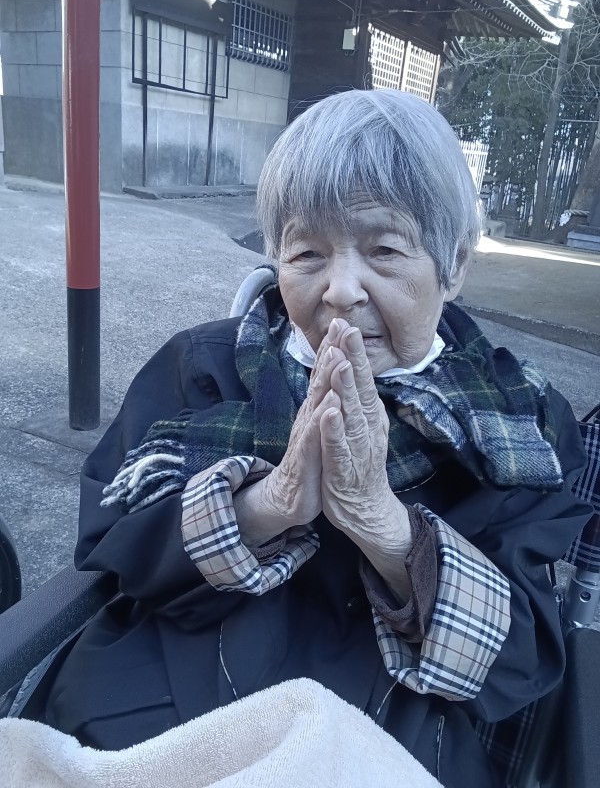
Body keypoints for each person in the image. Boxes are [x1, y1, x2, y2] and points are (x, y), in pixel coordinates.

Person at [45, 89, 591, 787]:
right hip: (160, 708)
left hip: (390, 736)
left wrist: (383, 525)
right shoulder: (202, 367)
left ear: (453, 265)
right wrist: (266, 506)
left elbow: (519, 659)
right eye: (307, 252)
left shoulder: (517, 424)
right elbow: (111, 545)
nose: (340, 290)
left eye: (384, 249)